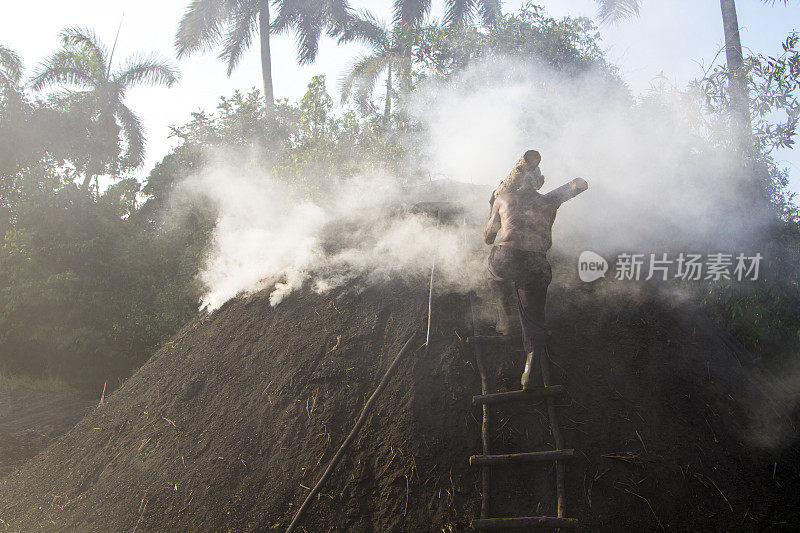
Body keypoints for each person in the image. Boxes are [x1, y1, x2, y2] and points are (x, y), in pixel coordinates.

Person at [483, 150, 588, 390]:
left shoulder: (504, 198)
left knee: (493, 273)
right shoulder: (549, 201)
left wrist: (492, 208)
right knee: (534, 317)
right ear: (539, 183)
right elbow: (577, 185)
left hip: (507, 257)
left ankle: (505, 319)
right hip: (537, 263)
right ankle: (529, 371)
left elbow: (489, 238)